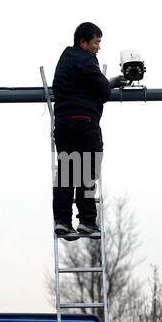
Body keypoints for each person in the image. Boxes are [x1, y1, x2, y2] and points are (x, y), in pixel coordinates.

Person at [52, 22, 125, 239]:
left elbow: (78, 85)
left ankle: (62, 222)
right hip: (84, 122)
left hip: (63, 124)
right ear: (83, 42)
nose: (98, 47)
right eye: (96, 42)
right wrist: (109, 83)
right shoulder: (86, 60)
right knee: (86, 170)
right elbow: (102, 91)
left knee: (66, 172)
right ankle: (87, 222)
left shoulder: (65, 59)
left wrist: (105, 83)